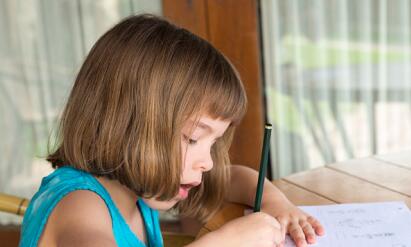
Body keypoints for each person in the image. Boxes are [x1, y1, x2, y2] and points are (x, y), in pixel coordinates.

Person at [19, 14, 324, 247]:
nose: (208, 162)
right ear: (128, 124)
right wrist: (222, 242)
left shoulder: (141, 184)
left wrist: (276, 204)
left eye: (213, 142)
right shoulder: (79, 205)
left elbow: (237, 178)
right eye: (193, 138)